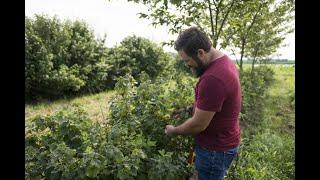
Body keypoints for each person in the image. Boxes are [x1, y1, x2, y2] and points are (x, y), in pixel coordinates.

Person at [165, 27, 241, 180]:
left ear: (200, 52)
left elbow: (198, 125)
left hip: (215, 150)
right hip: (222, 144)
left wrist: (174, 131)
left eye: (187, 60)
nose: (187, 65)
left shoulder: (213, 78)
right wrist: (188, 109)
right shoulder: (224, 61)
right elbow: (215, 103)